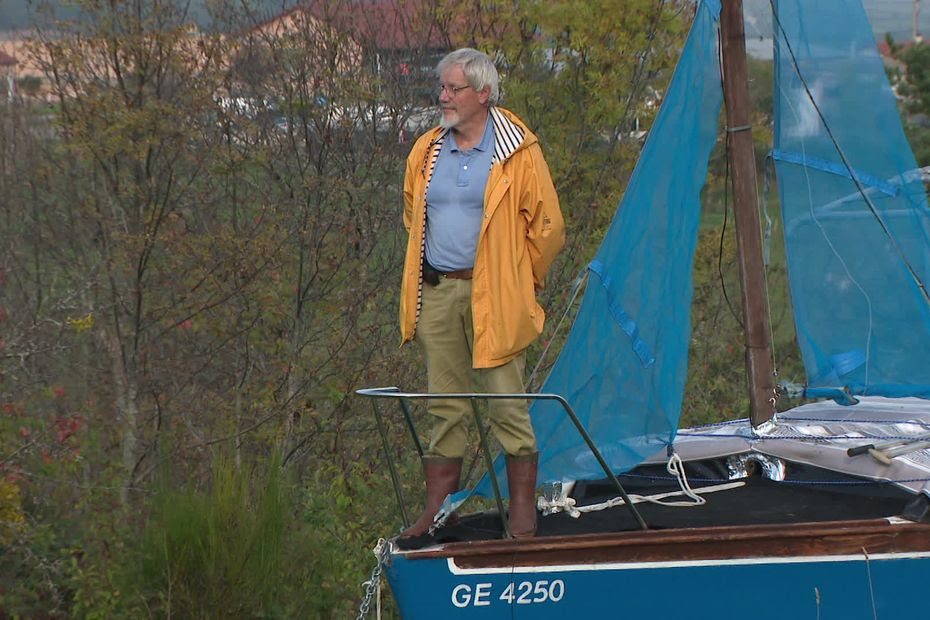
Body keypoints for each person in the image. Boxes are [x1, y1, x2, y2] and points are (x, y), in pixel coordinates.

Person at [398, 48, 564, 539]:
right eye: (442, 88)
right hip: (439, 292)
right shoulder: (426, 150)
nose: (443, 97)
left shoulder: (518, 151)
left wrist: (521, 281)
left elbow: (548, 228)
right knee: (444, 404)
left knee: (505, 402)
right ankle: (435, 511)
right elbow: (414, 216)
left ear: (483, 93)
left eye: (453, 89)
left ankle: (521, 511)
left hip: (497, 295)